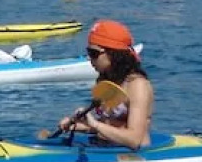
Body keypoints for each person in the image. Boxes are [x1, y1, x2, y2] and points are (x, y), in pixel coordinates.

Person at [58, 20, 152, 149]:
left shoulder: (137, 86)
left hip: (133, 154)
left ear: (114, 53)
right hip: (104, 147)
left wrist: (95, 125)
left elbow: (134, 139)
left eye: (94, 53)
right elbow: (109, 125)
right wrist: (76, 125)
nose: (89, 59)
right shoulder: (105, 80)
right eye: (89, 52)